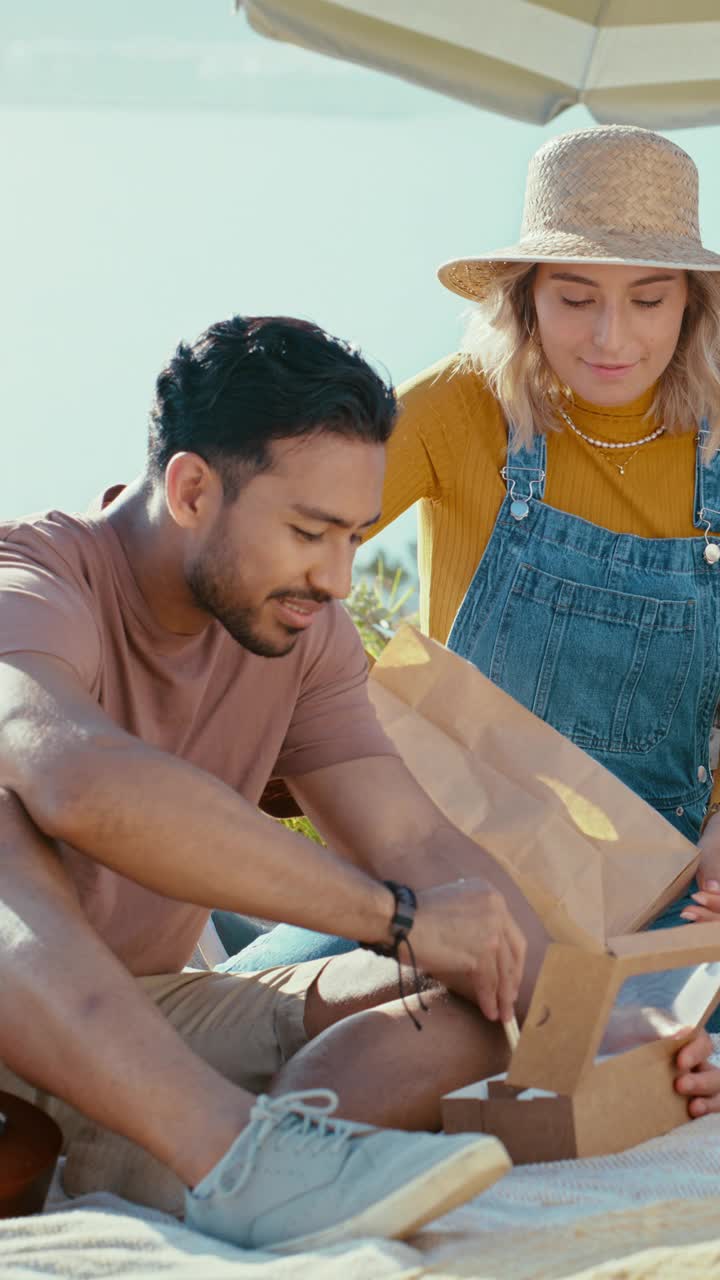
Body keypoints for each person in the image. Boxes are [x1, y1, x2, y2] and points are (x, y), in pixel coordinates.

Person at [0, 313, 551, 1252]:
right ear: (191, 489)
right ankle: (228, 1156)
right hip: (23, 1000)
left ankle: (256, 1155)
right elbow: (81, 784)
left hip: (150, 1013)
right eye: (309, 532)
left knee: (476, 987)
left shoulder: (299, 631)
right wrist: (396, 916)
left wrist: (591, 1034)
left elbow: (417, 846)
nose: (338, 576)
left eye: (355, 538)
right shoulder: (32, 582)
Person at [231, 126, 720, 1115]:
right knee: (246, 1021)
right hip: (448, 870)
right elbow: (272, 534)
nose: (610, 338)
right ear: (525, 295)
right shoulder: (460, 408)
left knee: (680, 1067)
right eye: (576, 298)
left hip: (651, 888)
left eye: (647, 299)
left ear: (694, 302)